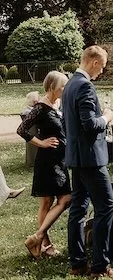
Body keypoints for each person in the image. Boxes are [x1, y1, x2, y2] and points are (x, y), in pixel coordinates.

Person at [62, 45, 113, 279]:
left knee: (78, 208)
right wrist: (107, 117)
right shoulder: (85, 86)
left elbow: (66, 123)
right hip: (91, 159)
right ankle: (100, 266)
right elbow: (90, 124)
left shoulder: (69, 85)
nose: (101, 72)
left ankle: (77, 262)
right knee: (107, 206)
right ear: (94, 62)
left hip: (76, 156)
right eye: (101, 67)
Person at [17, 71, 71, 259]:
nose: (65, 89)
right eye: (62, 86)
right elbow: (22, 130)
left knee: (65, 200)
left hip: (61, 160)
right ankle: (45, 244)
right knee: (47, 202)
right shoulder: (41, 107)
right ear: (52, 87)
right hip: (47, 161)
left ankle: (37, 239)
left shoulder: (59, 104)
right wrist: (41, 143)